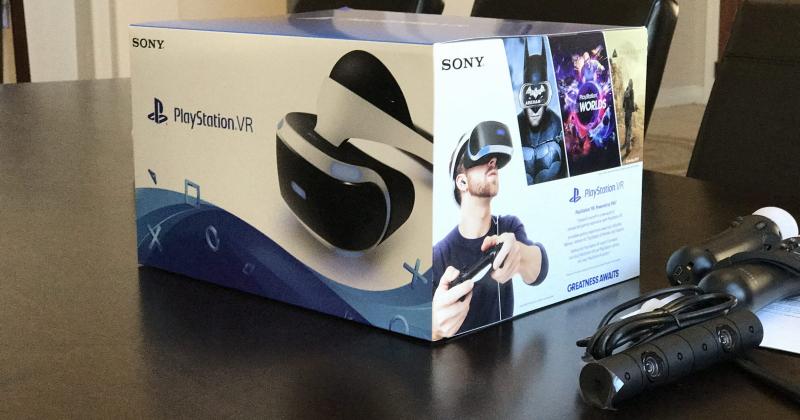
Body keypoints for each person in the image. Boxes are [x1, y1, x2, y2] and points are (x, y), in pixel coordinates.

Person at [432, 121, 548, 340]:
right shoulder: (438, 256)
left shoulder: (508, 227)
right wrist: (434, 329)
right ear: (462, 182)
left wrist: (519, 254)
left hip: (506, 355)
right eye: (483, 159)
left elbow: (538, 271)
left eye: (494, 159)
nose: (493, 162)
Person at [516, 37, 565, 185]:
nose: (535, 108)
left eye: (540, 96)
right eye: (530, 96)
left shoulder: (557, 124)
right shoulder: (515, 126)